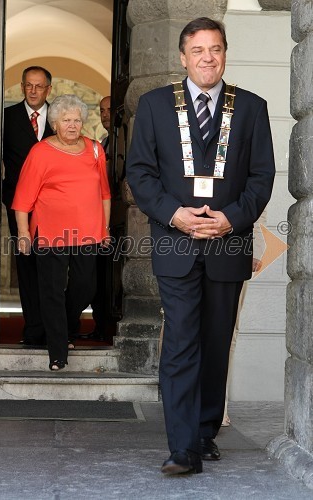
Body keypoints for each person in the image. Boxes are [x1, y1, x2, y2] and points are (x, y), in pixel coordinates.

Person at [126, 17, 275, 475]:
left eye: (215, 49)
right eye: (198, 50)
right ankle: (183, 446)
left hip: (228, 246)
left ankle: (206, 429)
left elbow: (261, 176)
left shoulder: (251, 107)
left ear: (224, 53)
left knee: (214, 341)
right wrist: (174, 214)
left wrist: (231, 218)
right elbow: (141, 173)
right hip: (176, 243)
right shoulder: (153, 106)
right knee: (182, 343)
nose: (207, 57)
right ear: (183, 56)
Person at [12, 94, 111, 371]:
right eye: (66, 120)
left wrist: (104, 229)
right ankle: (57, 351)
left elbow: (104, 193)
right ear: (55, 123)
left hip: (88, 231)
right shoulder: (41, 152)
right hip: (51, 231)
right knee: (52, 290)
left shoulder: (94, 150)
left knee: (85, 287)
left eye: (77, 120)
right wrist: (23, 232)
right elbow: (23, 197)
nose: (72, 125)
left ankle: (63, 327)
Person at [2, 65, 53, 346]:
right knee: (26, 265)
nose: (33, 91)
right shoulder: (7, 117)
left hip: (54, 206)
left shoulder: (59, 118)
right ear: (22, 87)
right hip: (18, 205)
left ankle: (55, 326)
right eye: (28, 85)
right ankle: (34, 329)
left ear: (48, 89)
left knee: (52, 267)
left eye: (39, 86)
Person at [222, 210, 266, 427]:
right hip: (185, 249)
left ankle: (219, 406)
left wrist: (255, 250)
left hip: (235, 249)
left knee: (228, 333)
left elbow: (259, 205)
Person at [88, 95, 112, 342]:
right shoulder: (102, 143)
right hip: (98, 219)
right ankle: (100, 325)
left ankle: (108, 325)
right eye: (102, 110)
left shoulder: (126, 139)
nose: (106, 115)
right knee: (98, 275)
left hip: (117, 218)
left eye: (109, 110)